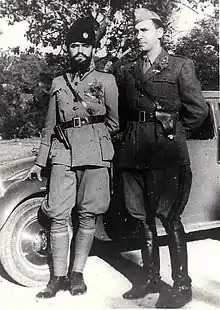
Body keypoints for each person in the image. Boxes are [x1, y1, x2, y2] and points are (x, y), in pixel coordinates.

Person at [115, 8, 208, 308]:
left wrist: (175, 135)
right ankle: (150, 279)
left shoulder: (180, 66)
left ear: (160, 32)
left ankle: (182, 285)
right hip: (134, 153)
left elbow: (198, 111)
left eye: (144, 30)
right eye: (136, 30)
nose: (138, 36)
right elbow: (126, 113)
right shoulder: (129, 72)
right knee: (142, 219)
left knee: (170, 218)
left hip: (165, 153)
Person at [27, 17, 119, 298]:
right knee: (57, 215)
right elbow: (49, 125)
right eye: (74, 45)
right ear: (68, 49)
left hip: (95, 153)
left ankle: (77, 274)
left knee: (88, 215)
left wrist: (97, 139)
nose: (79, 50)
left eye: (84, 45)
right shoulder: (59, 82)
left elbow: (115, 122)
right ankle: (57, 278)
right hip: (63, 152)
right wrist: (39, 161)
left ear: (93, 49)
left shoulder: (106, 80)